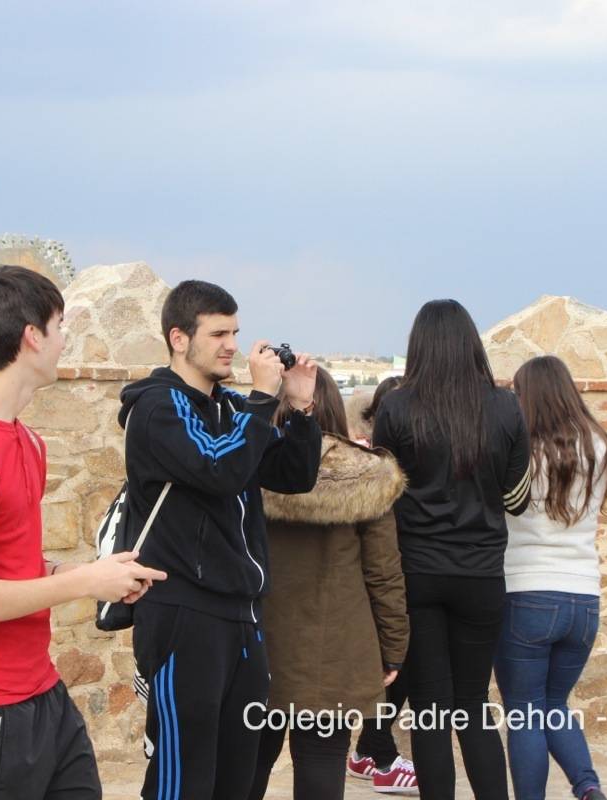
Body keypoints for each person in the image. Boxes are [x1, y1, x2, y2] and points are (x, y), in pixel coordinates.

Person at [0, 265, 166, 800]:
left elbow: (11, 564)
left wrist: (90, 573)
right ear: (32, 337)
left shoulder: (29, 444)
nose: (65, 339)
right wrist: (85, 582)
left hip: (41, 696)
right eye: (60, 325)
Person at [119, 279, 323, 800]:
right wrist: (259, 400)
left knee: (242, 771)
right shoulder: (158, 407)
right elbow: (218, 468)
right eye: (218, 333)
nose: (232, 344)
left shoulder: (231, 409)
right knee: (184, 776)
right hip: (183, 612)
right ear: (179, 338)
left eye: (235, 331)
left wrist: (299, 409)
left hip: (241, 614)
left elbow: (294, 475)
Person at [372, 299, 531, 800]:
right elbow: (517, 500)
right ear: (472, 343)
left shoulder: (396, 407)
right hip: (482, 574)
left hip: (416, 572)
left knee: (431, 709)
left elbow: (382, 493)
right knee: (473, 705)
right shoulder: (506, 407)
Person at [247, 367, 410, 800]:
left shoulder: (247, 466)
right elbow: (383, 572)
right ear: (335, 408)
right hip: (334, 649)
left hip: (258, 644)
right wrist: (394, 647)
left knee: (248, 764)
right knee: (321, 763)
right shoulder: (367, 475)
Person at [496, 355, 607, 800]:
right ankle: (587, 788)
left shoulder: (519, 449)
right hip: (584, 597)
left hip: (526, 592)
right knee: (553, 707)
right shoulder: (598, 446)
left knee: (526, 714)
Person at [346, 372, 420, 793]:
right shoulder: (369, 467)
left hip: (403, 576)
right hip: (377, 581)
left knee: (400, 671)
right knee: (395, 671)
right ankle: (382, 757)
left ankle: (365, 753)